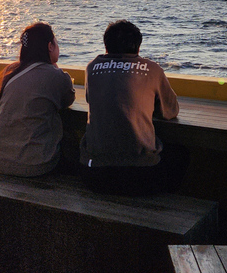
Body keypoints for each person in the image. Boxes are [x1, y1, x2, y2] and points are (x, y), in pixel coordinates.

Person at [79, 20, 187, 196]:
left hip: (94, 175)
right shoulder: (152, 69)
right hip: (139, 178)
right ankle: (159, 213)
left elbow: (92, 99)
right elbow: (171, 111)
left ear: (106, 47)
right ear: (138, 48)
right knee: (181, 153)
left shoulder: (92, 67)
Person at [0, 22, 76, 177]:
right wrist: (54, 67)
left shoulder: (11, 72)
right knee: (69, 139)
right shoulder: (57, 76)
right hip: (35, 164)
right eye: (56, 42)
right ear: (50, 46)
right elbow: (67, 100)